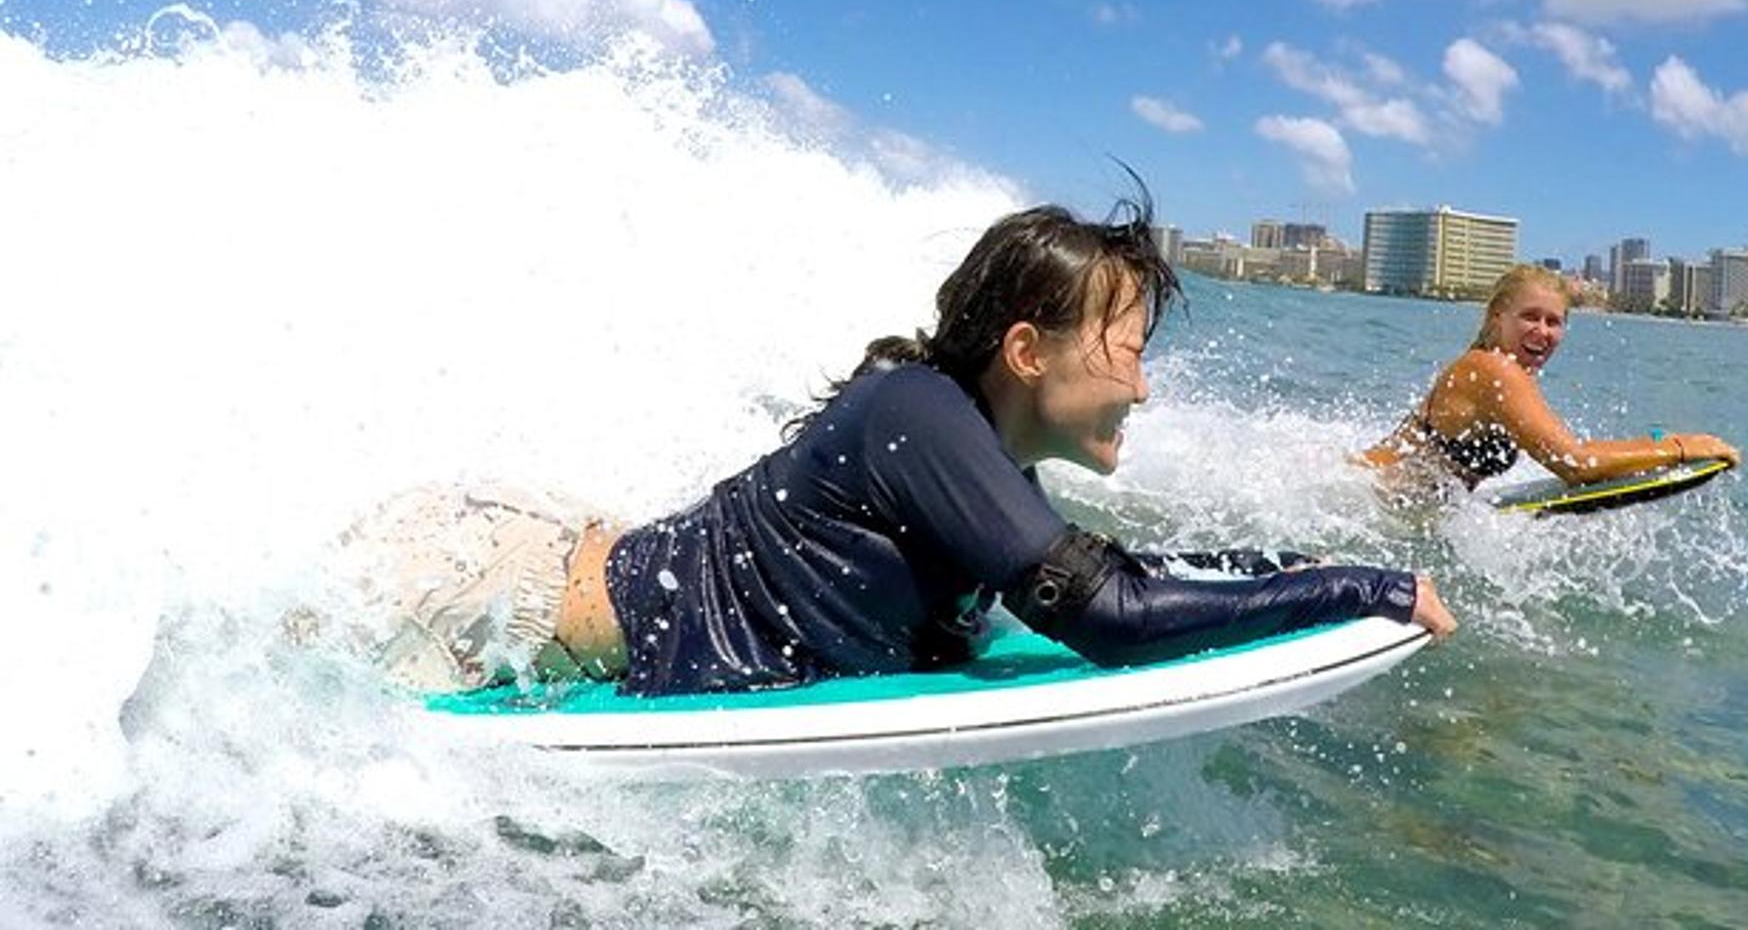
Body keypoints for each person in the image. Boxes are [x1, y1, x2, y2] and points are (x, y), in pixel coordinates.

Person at [344, 190, 1455, 697]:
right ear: (1027, 350)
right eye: (1127, 349)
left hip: (552, 571)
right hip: (492, 595)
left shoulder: (979, 459)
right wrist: (1361, 587)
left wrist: (1285, 565)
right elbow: (1107, 617)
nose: (1145, 386)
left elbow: (1112, 575)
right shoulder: (917, 414)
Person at [1352, 263, 1741, 495]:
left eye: (1554, 322)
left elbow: (1569, 448)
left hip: (1389, 503)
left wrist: (1651, 446)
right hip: (1364, 497)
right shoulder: (1494, 371)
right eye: (1530, 317)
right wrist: (1680, 448)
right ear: (1497, 319)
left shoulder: (1506, 371)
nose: (1543, 331)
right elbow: (1577, 464)